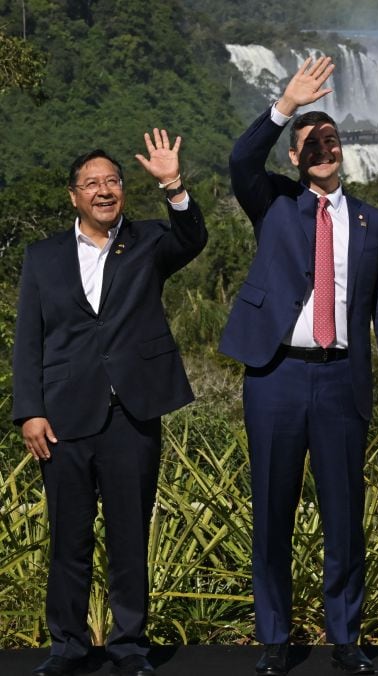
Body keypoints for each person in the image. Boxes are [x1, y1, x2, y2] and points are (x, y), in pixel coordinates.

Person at [218, 56, 378, 676]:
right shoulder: (272, 201)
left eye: (330, 140)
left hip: (341, 379)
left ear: (342, 150)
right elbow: (241, 162)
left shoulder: (373, 222)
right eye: (310, 142)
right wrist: (284, 107)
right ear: (295, 156)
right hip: (275, 375)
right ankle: (274, 637)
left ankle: (344, 636)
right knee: (272, 510)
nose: (323, 149)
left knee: (344, 514)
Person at [12, 130, 207, 676]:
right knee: (68, 539)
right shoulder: (43, 256)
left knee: (128, 536)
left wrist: (172, 184)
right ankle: (67, 646)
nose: (104, 191)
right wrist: (29, 410)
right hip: (63, 417)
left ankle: (128, 645)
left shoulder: (147, 242)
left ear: (124, 190)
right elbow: (29, 338)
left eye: (113, 181)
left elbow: (192, 239)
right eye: (92, 184)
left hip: (133, 413)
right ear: (73, 195)